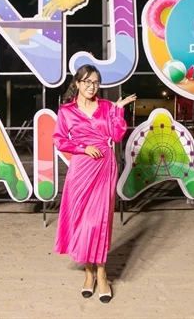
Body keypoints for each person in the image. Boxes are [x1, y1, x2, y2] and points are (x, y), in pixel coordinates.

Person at [53, 65, 136, 303]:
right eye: (87, 82)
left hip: (104, 167)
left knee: (98, 222)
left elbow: (117, 135)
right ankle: (88, 273)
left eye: (96, 83)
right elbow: (59, 140)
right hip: (80, 169)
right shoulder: (66, 111)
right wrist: (82, 148)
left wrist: (118, 111)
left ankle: (101, 273)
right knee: (80, 222)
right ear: (77, 83)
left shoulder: (107, 107)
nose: (92, 87)